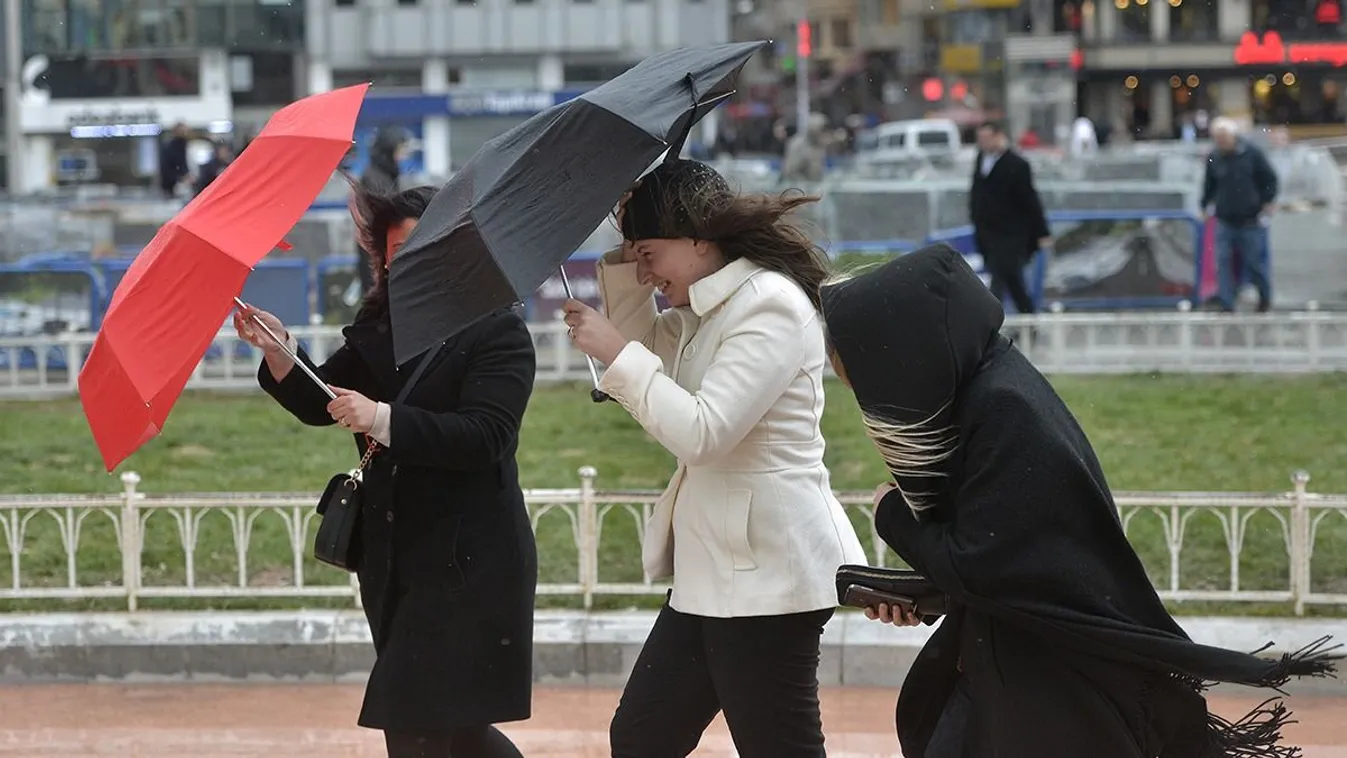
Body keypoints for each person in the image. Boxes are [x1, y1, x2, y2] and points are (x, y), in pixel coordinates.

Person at [819, 245, 1340, 758]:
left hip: (1053, 690)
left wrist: (893, 518)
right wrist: (930, 593)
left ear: (908, 357)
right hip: (1028, 669)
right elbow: (1012, 562)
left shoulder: (1003, 413)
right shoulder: (989, 390)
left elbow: (983, 563)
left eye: (869, 382)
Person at [562, 159, 867, 758]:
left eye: (650, 255)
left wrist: (617, 353)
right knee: (644, 736)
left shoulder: (768, 304)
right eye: (638, 257)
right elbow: (654, 374)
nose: (647, 274)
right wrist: (626, 265)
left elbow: (703, 431)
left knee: (777, 747)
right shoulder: (710, 305)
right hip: (718, 571)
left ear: (699, 238)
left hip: (771, 572)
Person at [233, 183, 539, 758]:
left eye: (426, 245)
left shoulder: (497, 330)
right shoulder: (382, 327)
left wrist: (382, 418)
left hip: (470, 562)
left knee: (416, 722)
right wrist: (279, 351)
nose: (409, 262)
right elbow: (319, 402)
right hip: (395, 559)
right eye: (396, 251)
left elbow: (487, 436)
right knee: (456, 726)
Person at [969, 119, 1051, 315]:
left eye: (987, 137)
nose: (983, 142)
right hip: (987, 232)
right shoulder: (981, 160)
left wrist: (1042, 232)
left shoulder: (1017, 164)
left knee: (999, 279)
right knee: (1013, 282)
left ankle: (989, 323)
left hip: (1011, 233)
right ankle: (1028, 320)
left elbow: (1029, 199)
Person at [1200, 117, 1278, 313]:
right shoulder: (1214, 157)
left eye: (1223, 137)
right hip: (1225, 218)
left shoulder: (1252, 154)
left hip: (1250, 218)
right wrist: (1203, 205)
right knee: (1222, 262)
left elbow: (1269, 178)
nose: (1221, 142)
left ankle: (1264, 297)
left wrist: (1267, 200)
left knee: (1254, 262)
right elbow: (1209, 185)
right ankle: (1227, 302)